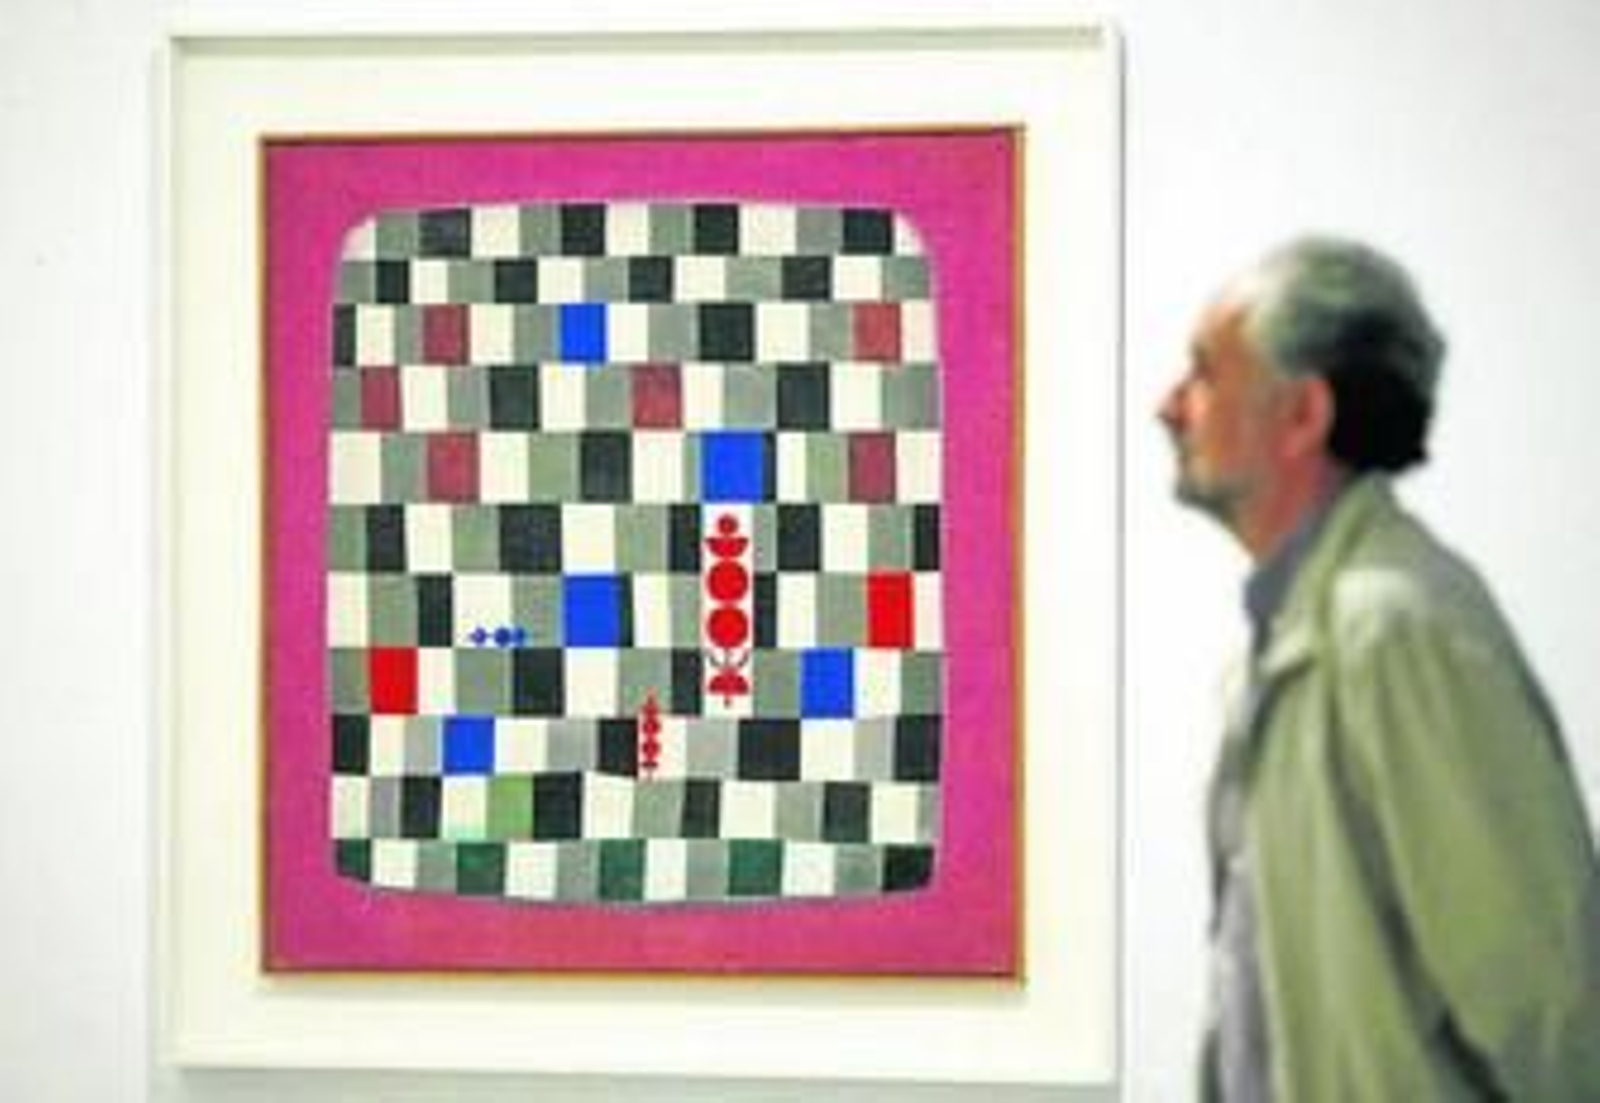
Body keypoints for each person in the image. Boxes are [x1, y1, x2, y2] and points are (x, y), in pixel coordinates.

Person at [1158, 236, 1600, 1100]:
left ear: (1303, 415)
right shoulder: (1288, 647)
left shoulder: (1395, 630)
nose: (1170, 405)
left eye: (1205, 374)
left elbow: (1546, 1008)